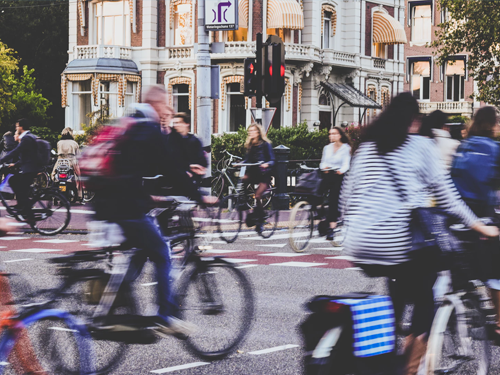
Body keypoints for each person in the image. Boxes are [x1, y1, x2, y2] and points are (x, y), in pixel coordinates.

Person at [340, 93, 498, 375]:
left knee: (397, 288)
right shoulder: (421, 145)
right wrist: (480, 226)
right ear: (413, 121)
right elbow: (448, 199)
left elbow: (346, 197)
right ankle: (408, 369)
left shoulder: (365, 147)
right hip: (395, 243)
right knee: (427, 290)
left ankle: (381, 355)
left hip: (356, 243)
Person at [92, 85, 205, 337]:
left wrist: (150, 196)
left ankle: (111, 306)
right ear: (156, 104)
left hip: (106, 205)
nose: (170, 111)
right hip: (124, 207)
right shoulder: (147, 128)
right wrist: (200, 196)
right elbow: (169, 168)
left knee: (142, 249)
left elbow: (130, 169)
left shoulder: (127, 123)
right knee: (162, 252)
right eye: (167, 105)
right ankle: (165, 317)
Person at [451, 106, 500, 340]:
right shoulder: (495, 149)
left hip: (458, 216)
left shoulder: (463, 146)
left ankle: (456, 303)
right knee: (496, 272)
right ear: (491, 124)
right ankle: (499, 324)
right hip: (485, 216)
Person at [0, 119, 41, 216]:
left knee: (21, 189)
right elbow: (27, 155)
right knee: (13, 180)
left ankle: (28, 213)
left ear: (21, 127)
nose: (16, 128)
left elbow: (16, 151)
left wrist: (1, 160)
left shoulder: (26, 138)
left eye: (17, 126)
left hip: (29, 169)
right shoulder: (29, 137)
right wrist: (16, 164)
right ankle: (21, 205)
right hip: (30, 167)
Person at [319, 127, 351, 240]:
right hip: (327, 174)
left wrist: (341, 170)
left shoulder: (346, 148)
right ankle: (319, 216)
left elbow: (346, 164)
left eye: (334, 134)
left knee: (334, 200)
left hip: (338, 176)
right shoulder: (327, 148)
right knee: (317, 194)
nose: (331, 136)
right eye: (330, 134)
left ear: (340, 135)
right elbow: (322, 163)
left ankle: (331, 229)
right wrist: (324, 167)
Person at [242, 124, 275, 233]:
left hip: (263, 175)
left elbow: (272, 160)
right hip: (253, 173)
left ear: (258, 132)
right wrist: (240, 164)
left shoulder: (266, 145)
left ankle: (260, 221)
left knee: (257, 195)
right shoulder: (250, 145)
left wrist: (266, 164)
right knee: (243, 180)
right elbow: (247, 160)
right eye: (249, 131)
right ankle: (245, 206)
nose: (251, 133)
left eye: (253, 131)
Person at [170, 112, 207, 186]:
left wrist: (192, 173)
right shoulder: (170, 139)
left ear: (187, 124)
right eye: (174, 123)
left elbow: (201, 161)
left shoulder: (194, 141)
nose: (176, 125)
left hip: (190, 180)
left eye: (179, 122)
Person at [52, 127, 82, 200]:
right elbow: (78, 155)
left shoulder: (59, 143)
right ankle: (79, 195)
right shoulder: (74, 143)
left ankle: (54, 193)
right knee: (78, 177)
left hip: (60, 162)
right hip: (71, 162)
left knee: (54, 175)